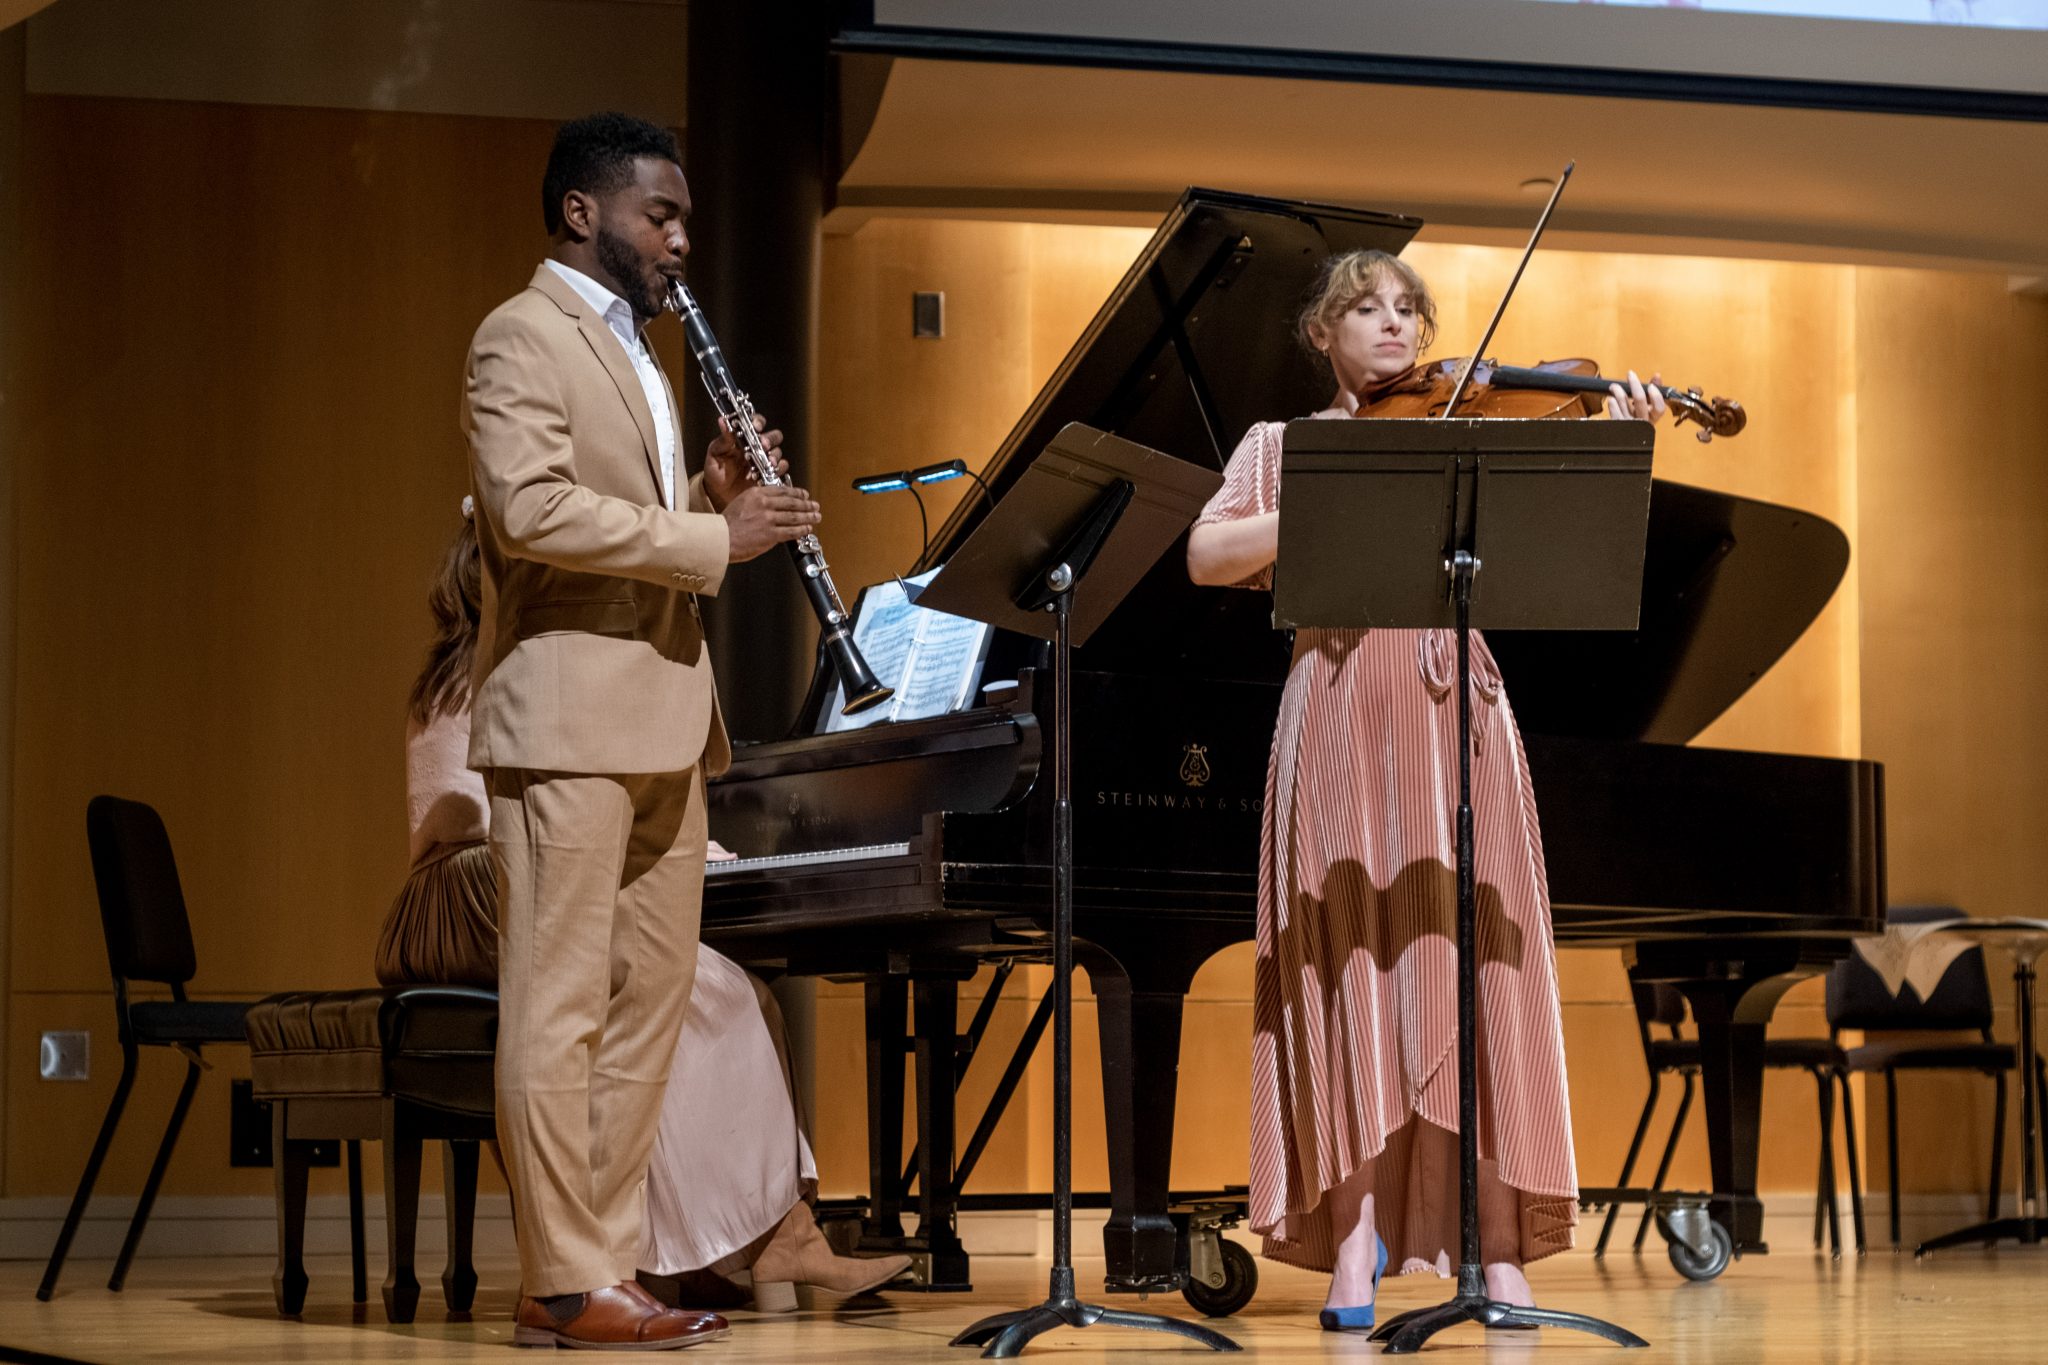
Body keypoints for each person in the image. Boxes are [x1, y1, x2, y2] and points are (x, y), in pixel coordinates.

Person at [1184, 248, 1667, 1331]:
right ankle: (1351, 1237)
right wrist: (1336, 508)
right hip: (1340, 704)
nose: (1394, 326)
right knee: (1346, 957)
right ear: (1321, 333)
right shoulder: (1285, 447)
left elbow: (1562, 525)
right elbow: (1205, 556)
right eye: (1366, 309)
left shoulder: (1469, 434)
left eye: (1408, 309)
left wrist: (1610, 420)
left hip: (1457, 708)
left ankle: (1495, 1242)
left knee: (1473, 963)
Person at [462, 111, 825, 1351]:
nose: (679, 241)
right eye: (659, 216)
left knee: (646, 1011)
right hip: (566, 721)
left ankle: (597, 1270)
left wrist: (705, 499)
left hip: (668, 721)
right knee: (558, 1007)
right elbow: (528, 512)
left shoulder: (638, 355)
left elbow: (628, 523)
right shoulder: (521, 334)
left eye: (682, 221)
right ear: (583, 212)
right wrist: (710, 539)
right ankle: (563, 1280)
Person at [376, 510, 910, 1317]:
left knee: (713, 992)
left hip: (467, 901)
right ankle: (763, 1243)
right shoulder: (506, 667)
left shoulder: (453, 670)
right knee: (705, 994)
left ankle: (707, 1248)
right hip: (485, 893)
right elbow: (543, 813)